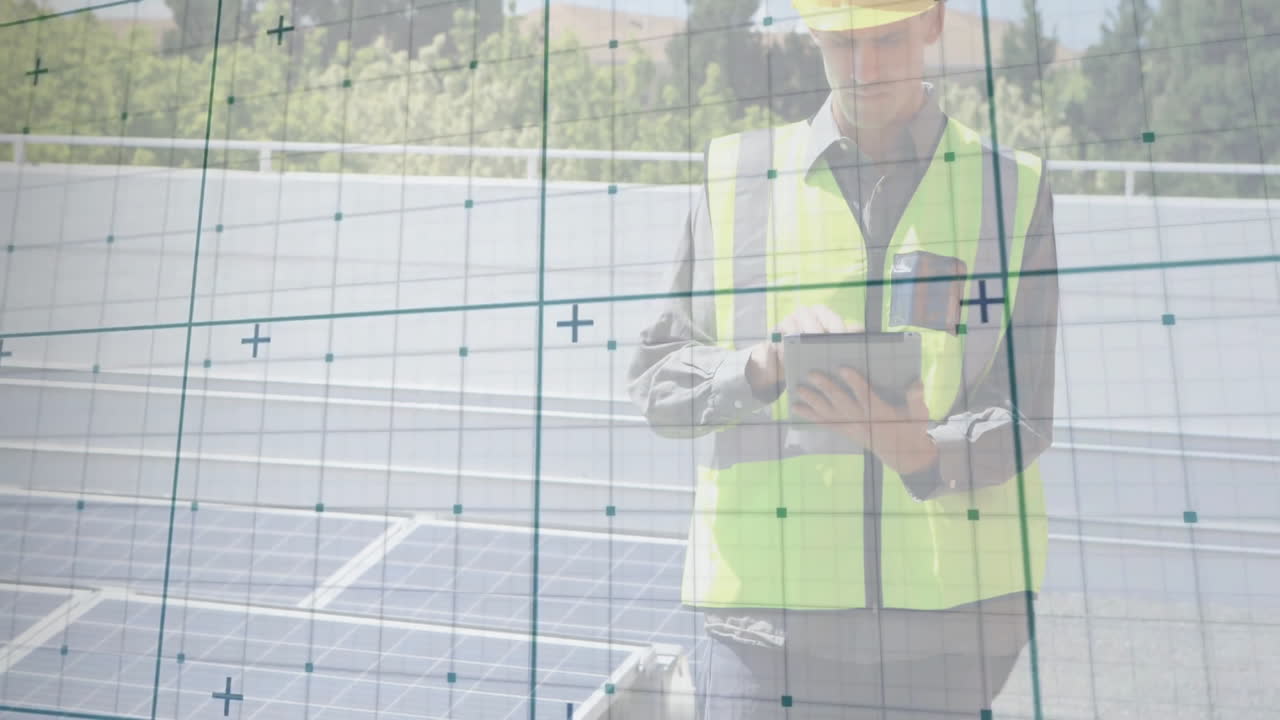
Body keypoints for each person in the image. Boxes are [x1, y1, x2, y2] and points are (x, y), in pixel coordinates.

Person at [626, 0, 1060, 717]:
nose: (866, 68)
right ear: (812, 36)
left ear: (931, 22)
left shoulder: (1011, 189)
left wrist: (923, 452)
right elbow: (657, 382)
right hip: (764, 623)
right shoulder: (736, 178)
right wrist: (759, 368)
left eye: (887, 38)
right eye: (842, 44)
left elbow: (1027, 410)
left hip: (951, 624)